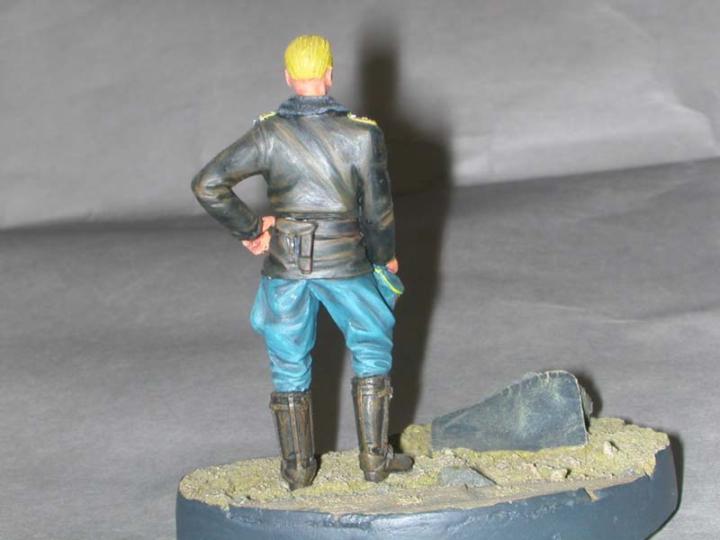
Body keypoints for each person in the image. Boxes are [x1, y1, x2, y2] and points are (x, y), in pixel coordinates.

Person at [191, 34, 412, 489]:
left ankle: (297, 469)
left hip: (287, 266)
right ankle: (375, 460)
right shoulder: (362, 134)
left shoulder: (269, 133)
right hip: (346, 262)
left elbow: (208, 184)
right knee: (372, 348)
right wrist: (385, 257)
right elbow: (379, 211)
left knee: (288, 361)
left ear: (289, 77)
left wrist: (253, 229)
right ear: (329, 74)